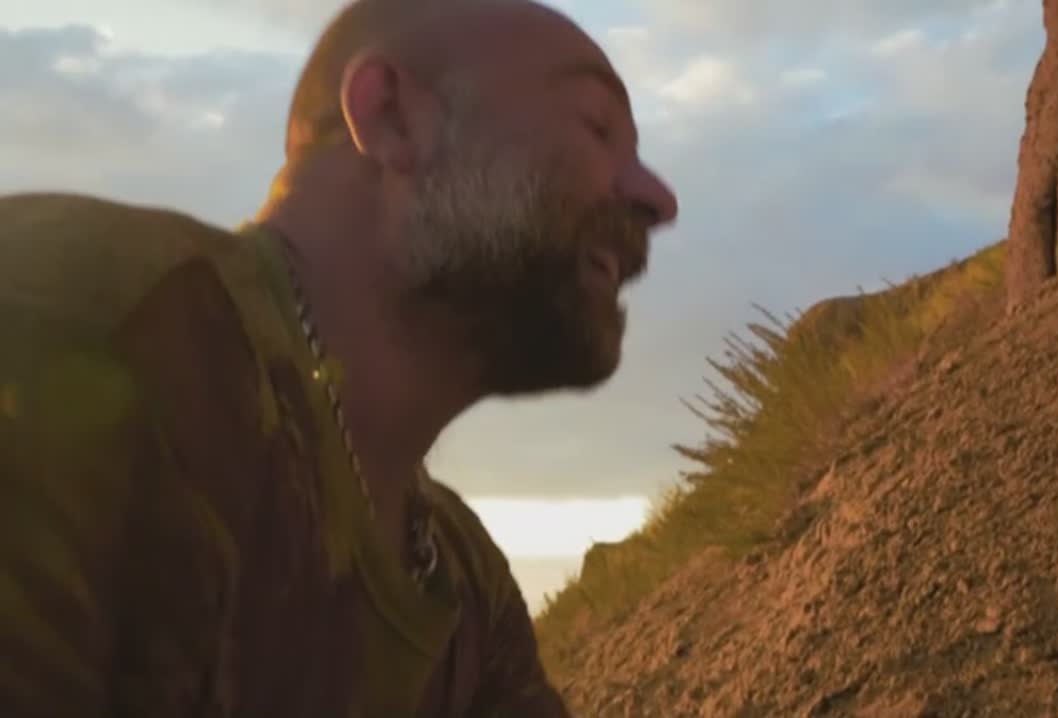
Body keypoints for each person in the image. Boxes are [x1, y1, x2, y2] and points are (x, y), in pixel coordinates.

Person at [0, 0, 678, 714]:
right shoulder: (81, 313)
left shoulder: (456, 581)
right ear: (392, 118)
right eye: (596, 126)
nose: (657, 197)